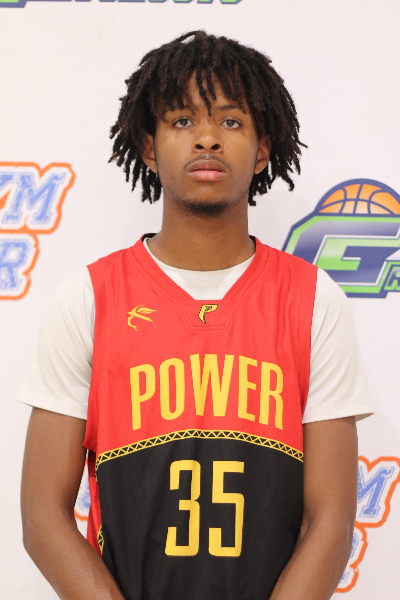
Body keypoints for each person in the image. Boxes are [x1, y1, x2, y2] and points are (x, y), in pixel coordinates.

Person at [19, 31, 373, 600]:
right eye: (182, 120)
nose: (207, 138)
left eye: (231, 121)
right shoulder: (88, 298)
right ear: (149, 147)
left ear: (262, 150)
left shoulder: (314, 300)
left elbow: (329, 521)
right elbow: (42, 515)